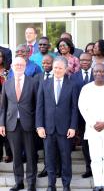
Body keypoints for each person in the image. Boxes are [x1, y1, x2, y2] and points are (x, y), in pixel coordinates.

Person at [36, 56, 78, 191]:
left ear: (66, 69)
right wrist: (39, 126)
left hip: (65, 129)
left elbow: (74, 108)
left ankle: (66, 185)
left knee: (66, 158)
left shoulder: (72, 84)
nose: (57, 70)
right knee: (49, 158)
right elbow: (39, 106)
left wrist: (73, 127)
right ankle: (51, 185)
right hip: (47, 129)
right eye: (55, 67)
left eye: (60, 68)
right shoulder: (44, 83)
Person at [0, 57, 38, 191]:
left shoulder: (33, 82)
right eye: (16, 65)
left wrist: (38, 124)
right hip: (11, 124)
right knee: (16, 155)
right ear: (11, 66)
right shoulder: (7, 83)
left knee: (30, 155)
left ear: (25, 66)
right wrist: (1, 124)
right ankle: (19, 182)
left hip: (29, 124)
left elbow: (37, 105)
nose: (19, 67)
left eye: (21, 65)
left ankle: (31, 183)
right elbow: (3, 107)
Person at [78, 63, 104, 191]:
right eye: (96, 71)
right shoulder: (86, 88)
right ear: (93, 73)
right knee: (95, 158)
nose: (98, 74)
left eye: (101, 71)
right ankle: (97, 183)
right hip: (92, 128)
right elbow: (82, 107)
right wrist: (93, 123)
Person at [33, 54, 59, 179]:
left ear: (53, 63)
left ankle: (58, 169)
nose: (45, 65)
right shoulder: (37, 77)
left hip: (58, 119)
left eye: (48, 63)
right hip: (43, 117)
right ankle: (47, 168)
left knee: (58, 147)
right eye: (43, 63)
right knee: (46, 147)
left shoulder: (59, 76)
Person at [70, 53, 94, 179]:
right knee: (85, 144)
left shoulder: (98, 74)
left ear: (91, 61)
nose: (85, 62)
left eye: (87, 60)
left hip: (96, 116)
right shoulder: (74, 77)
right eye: (82, 60)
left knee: (95, 143)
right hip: (81, 117)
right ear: (79, 61)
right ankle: (88, 168)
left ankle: (97, 167)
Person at [0, 50, 12, 164]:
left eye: (0, 56)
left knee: (7, 129)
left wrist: (5, 78)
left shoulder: (8, 71)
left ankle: (8, 154)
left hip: (6, 103)